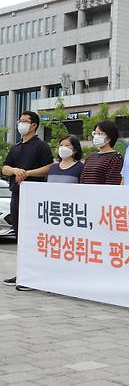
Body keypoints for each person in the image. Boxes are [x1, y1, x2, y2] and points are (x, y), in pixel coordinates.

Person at [2, 111, 54, 289]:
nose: (21, 124)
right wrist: (16, 170)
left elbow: (49, 167)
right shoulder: (16, 147)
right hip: (16, 195)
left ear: (34, 126)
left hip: (34, 197)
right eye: (20, 121)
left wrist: (28, 173)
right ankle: (22, 273)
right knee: (20, 235)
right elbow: (5, 167)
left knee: (32, 236)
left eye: (25, 121)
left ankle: (35, 275)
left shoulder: (41, 146)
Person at [80, 121, 124, 185]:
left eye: (100, 134)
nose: (96, 136)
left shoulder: (116, 158)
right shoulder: (90, 157)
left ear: (109, 136)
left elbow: (112, 183)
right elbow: (82, 179)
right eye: (95, 133)